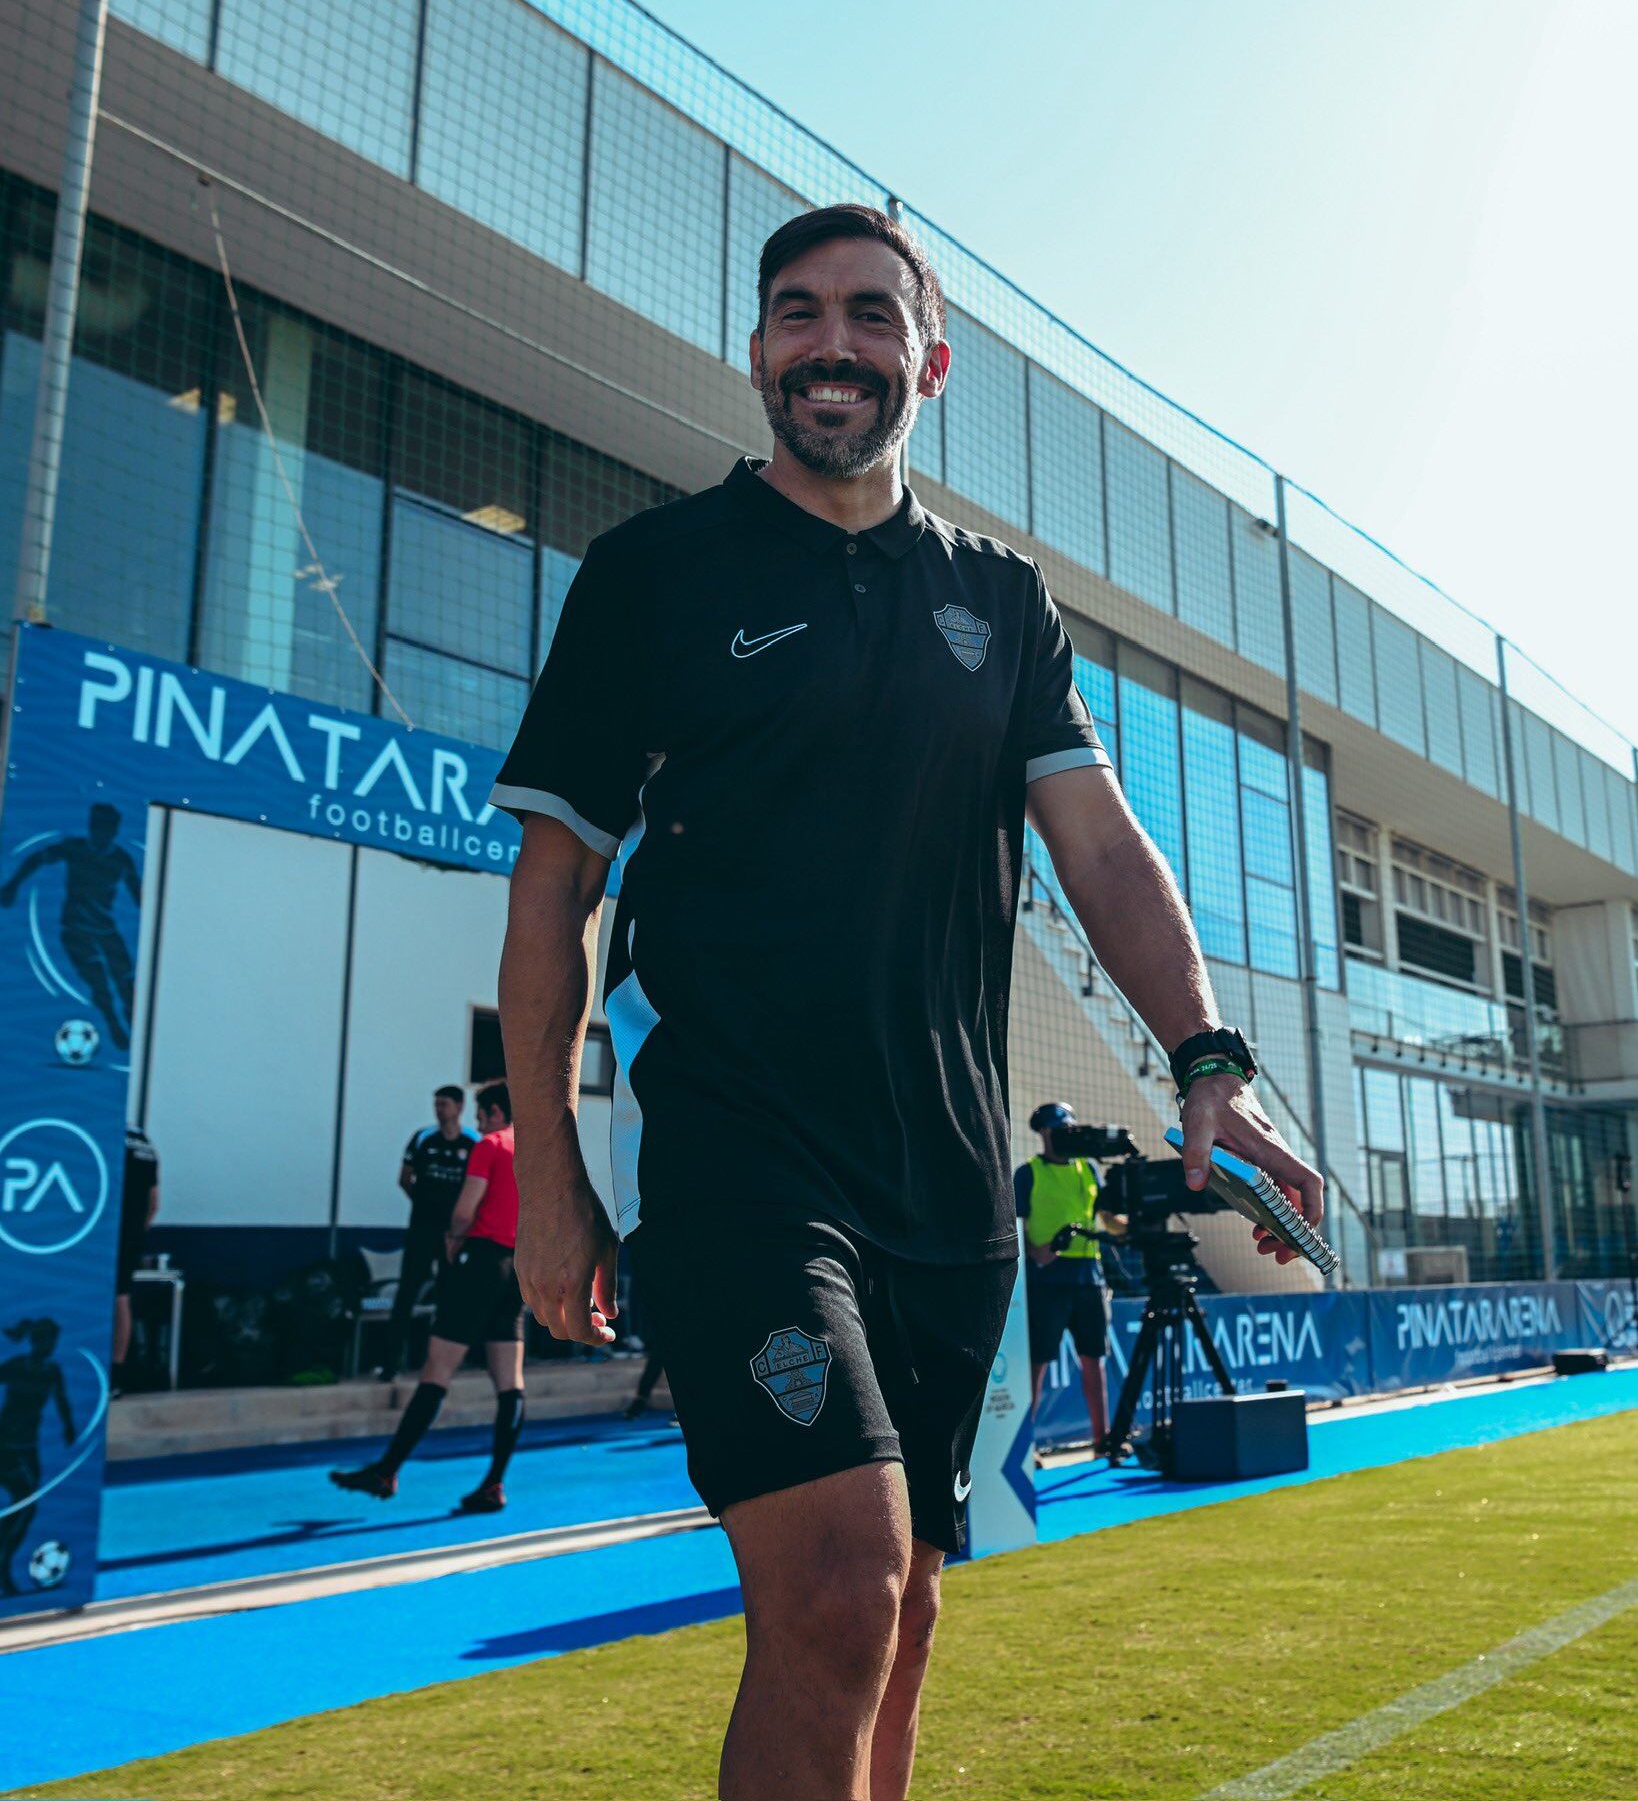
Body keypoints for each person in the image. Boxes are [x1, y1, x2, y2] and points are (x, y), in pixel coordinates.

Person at [491, 203, 1322, 1800]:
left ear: (926, 363)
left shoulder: (1001, 604)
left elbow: (1100, 845)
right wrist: (554, 1181)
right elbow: (552, 899)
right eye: (797, 313)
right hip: (744, 1163)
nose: (831, 345)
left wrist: (1206, 1056)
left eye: (870, 317)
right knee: (836, 1589)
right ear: (754, 351)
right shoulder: (652, 576)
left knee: (910, 1614)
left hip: (949, 1188)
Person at [332, 1083, 526, 1514]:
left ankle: (386, 1470)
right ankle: (494, 1483)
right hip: (515, 1267)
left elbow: (464, 1210)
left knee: (436, 1370)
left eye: (480, 1114)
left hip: (479, 1262)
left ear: (495, 1112)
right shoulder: (532, 1150)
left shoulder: (490, 1146)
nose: (477, 1123)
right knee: (509, 1381)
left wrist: (453, 1243)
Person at [1015, 1102, 1122, 1449]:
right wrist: (1037, 1252)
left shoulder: (1090, 1169)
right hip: (1047, 1279)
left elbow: (1108, 1218)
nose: (1067, 1135)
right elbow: (1017, 1229)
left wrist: (1134, 1223)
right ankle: (1026, 1449)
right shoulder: (1028, 1172)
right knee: (1038, 1363)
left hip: (1089, 1277)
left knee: (1095, 1359)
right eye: (1061, 1129)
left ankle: (1101, 1439)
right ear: (1043, 1132)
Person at [0, 803, 141, 1046]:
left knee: (126, 983)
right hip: (76, 930)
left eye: (106, 828)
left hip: (107, 930)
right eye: (96, 827)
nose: (100, 833)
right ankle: (112, 1023)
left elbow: (140, 897)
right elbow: (39, 858)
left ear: (114, 831)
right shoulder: (75, 848)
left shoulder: (121, 859)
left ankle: (136, 1029)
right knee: (99, 982)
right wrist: (13, 884)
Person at [375, 1084, 478, 1380]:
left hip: (454, 1235)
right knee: (407, 1294)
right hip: (422, 1230)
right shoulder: (423, 1138)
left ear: (459, 1107)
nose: (439, 1109)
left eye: (444, 1104)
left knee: (450, 1297)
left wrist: (460, 1223)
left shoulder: (472, 1142)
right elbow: (405, 1179)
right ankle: (390, 1364)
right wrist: (424, 1206)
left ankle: (441, 1365)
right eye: (436, 1104)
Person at [0, 1319, 75, 1596]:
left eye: (53, 1342)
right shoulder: (15, 1366)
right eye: (45, 1341)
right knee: (24, 1502)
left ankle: (3, 1564)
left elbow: (62, 1399)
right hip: (5, 1445)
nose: (50, 1347)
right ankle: (3, 1567)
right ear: (34, 1342)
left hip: (30, 1448)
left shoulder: (52, 1372)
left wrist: (69, 1427)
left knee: (28, 1509)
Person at [113, 1124, 161, 1396]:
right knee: (122, 1298)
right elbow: (154, 1202)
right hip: (132, 1233)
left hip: (102, 1232)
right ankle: (117, 1372)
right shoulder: (143, 1140)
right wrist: (137, 1232)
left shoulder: (105, 1129)